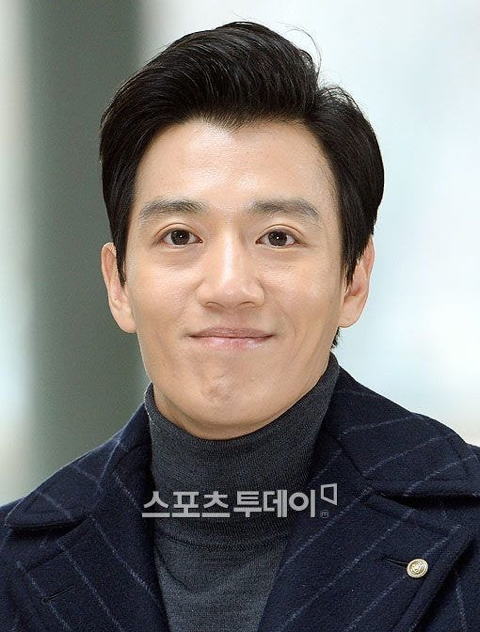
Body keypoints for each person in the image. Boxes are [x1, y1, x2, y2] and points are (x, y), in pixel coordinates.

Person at [1, 20, 479, 632]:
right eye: (180, 236)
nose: (228, 287)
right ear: (118, 283)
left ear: (353, 281)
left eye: (278, 237)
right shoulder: (13, 561)